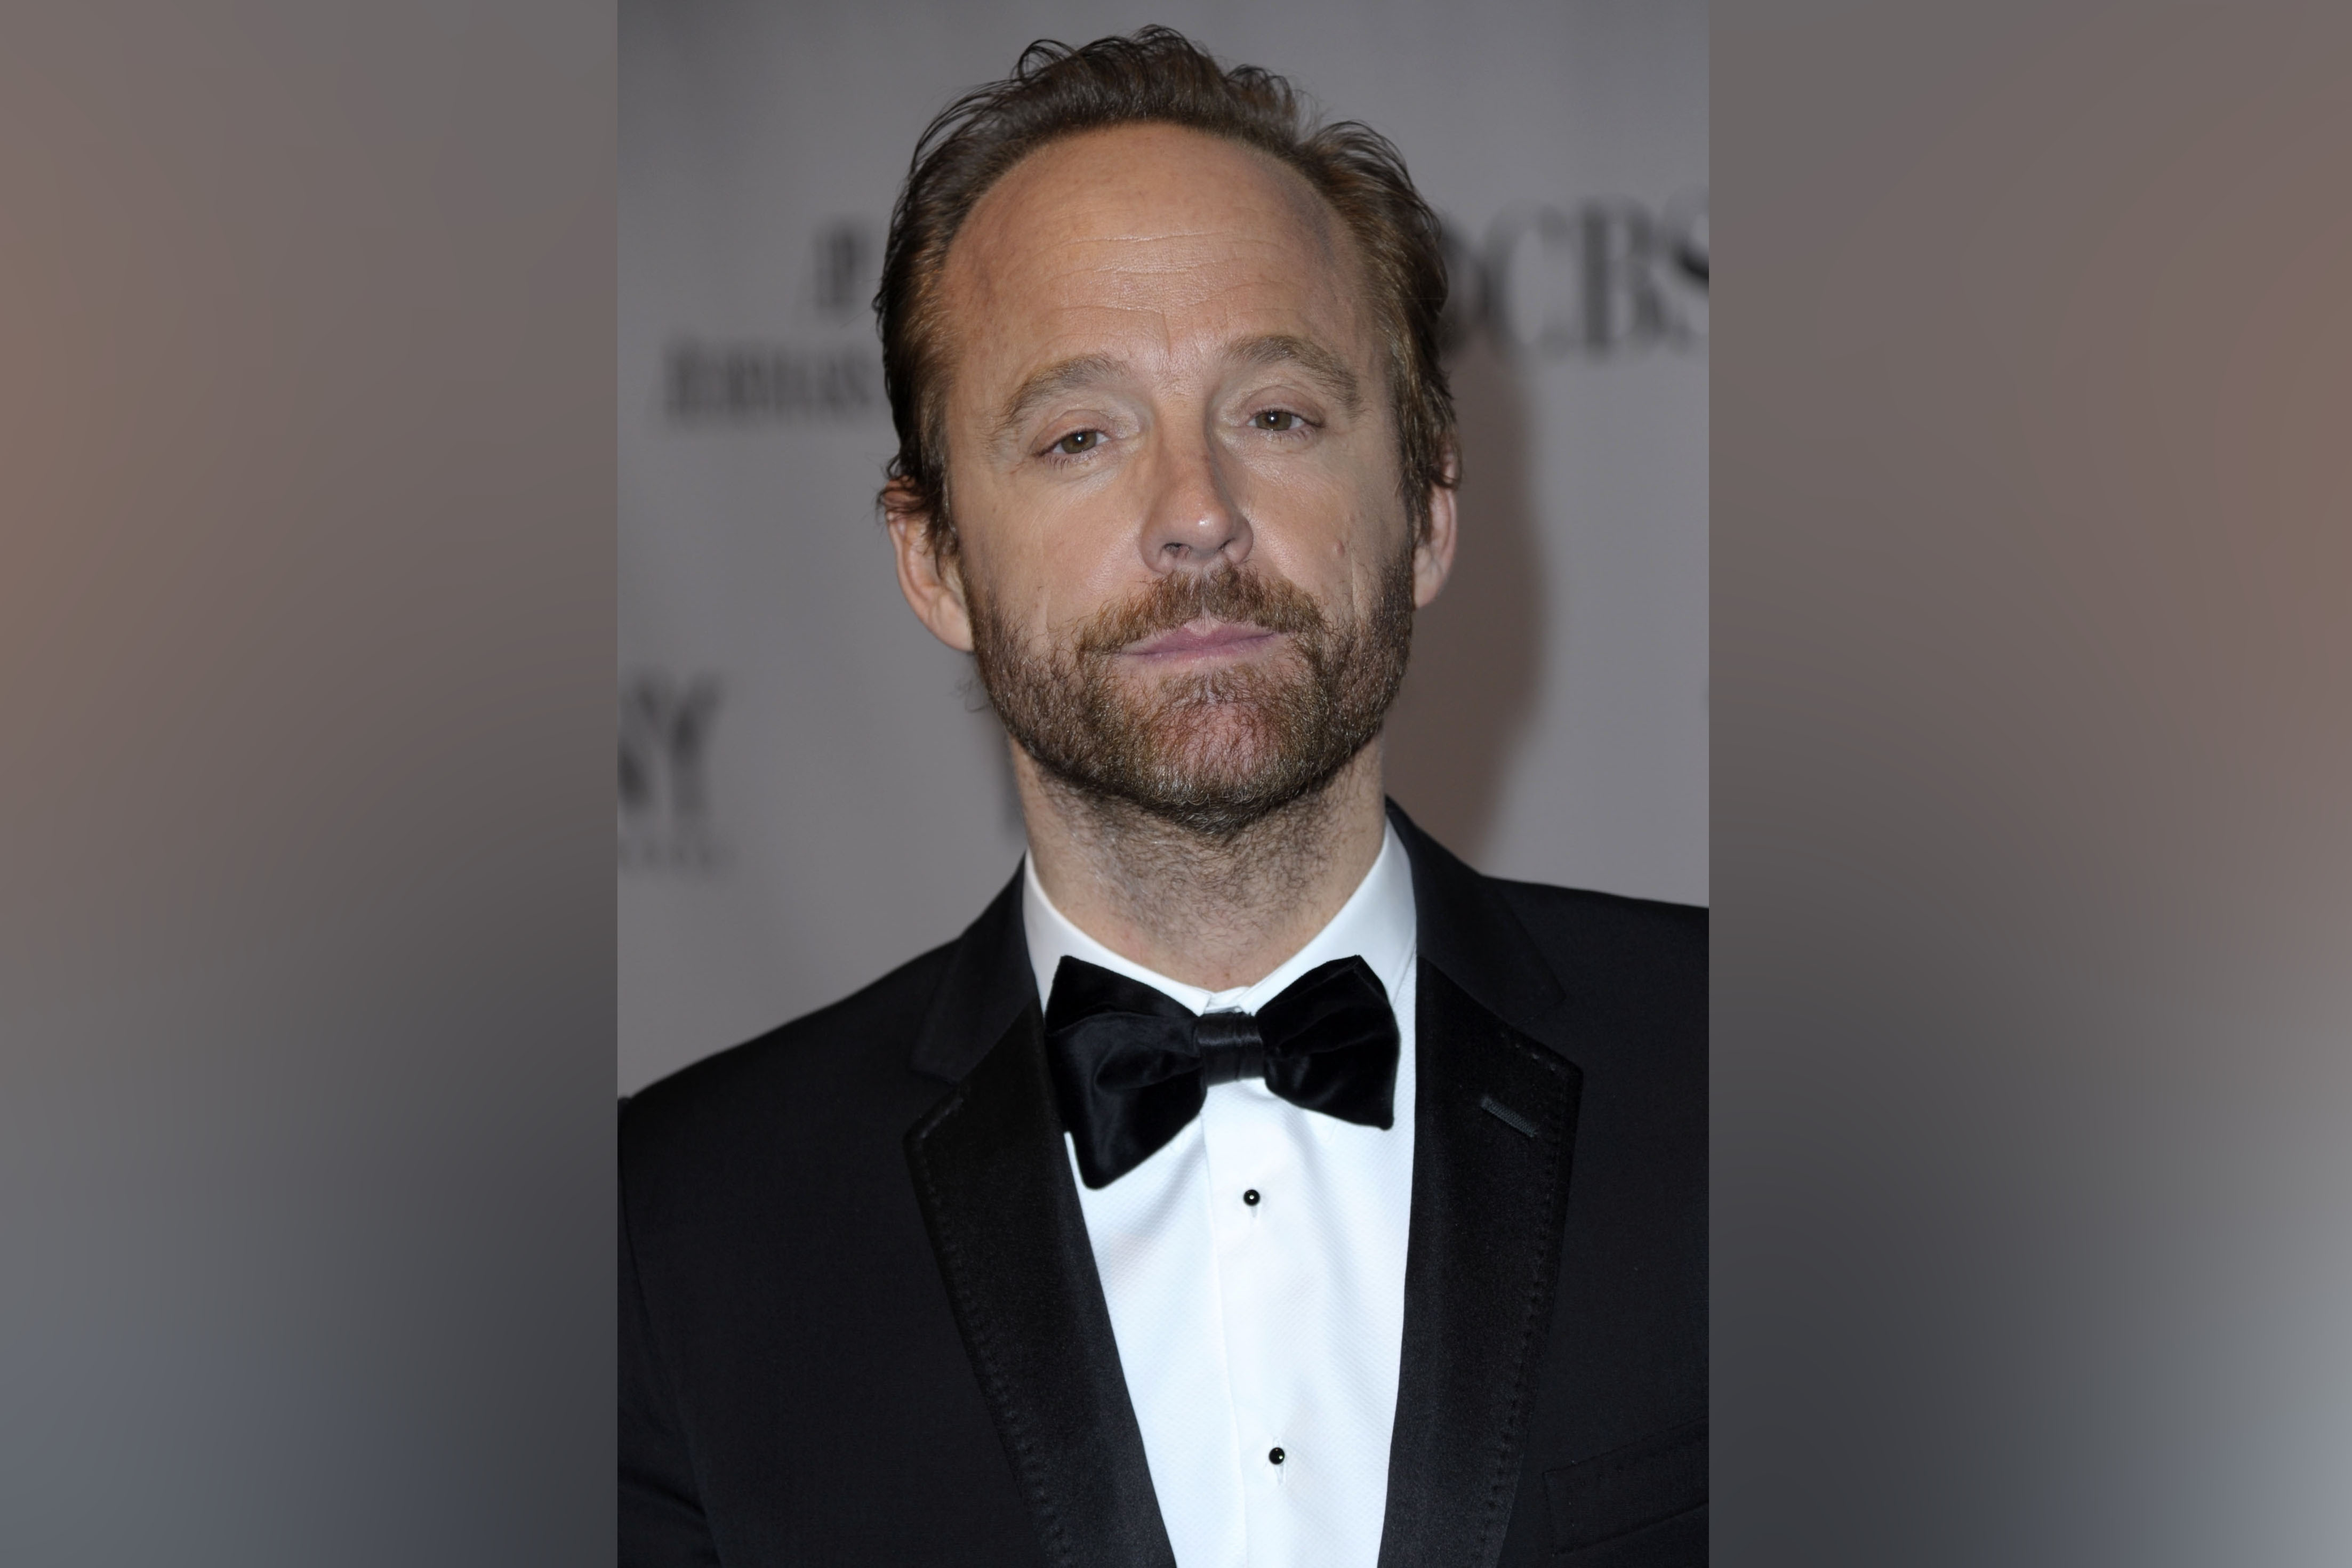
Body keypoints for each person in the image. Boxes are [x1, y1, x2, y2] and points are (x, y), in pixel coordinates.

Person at [620, 27, 1704, 1567]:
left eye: (1276, 415)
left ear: (1425, 515)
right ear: (934, 560)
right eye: (1078, 437)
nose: (1195, 513)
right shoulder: (668, 1242)